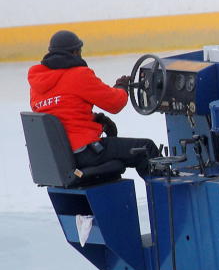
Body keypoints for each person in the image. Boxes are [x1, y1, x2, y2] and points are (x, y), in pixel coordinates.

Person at [28, 30, 159, 177]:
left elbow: (60, 112)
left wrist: (94, 119)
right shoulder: (78, 75)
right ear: (75, 52)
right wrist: (122, 87)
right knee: (146, 149)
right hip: (84, 152)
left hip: (59, 157)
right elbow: (115, 103)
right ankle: (166, 197)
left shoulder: (36, 84)